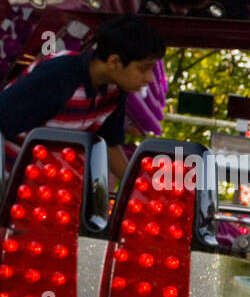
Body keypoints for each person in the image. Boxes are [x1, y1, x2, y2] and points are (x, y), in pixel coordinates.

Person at [0, 14, 164, 183]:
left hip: (36, 189)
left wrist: (139, 185)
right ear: (114, 62)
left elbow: (108, 143)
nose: (150, 78)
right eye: (144, 68)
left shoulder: (115, 92)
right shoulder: (59, 75)